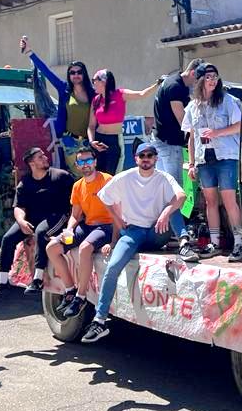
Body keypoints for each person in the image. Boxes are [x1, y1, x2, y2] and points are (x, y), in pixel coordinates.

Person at [77, 142, 199, 337]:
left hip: (156, 232)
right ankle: (100, 321)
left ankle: (184, 243)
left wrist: (166, 211)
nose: (146, 159)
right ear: (136, 159)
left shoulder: (163, 177)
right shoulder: (126, 177)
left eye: (150, 155)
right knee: (112, 268)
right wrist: (116, 219)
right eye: (142, 155)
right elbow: (104, 196)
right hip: (132, 233)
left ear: (156, 159)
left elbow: (181, 196)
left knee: (173, 205)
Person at [0, 147, 74, 300]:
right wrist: (21, 221)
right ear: (32, 163)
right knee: (7, 239)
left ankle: (37, 279)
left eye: (44, 156)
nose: (45, 158)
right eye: (40, 157)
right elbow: (19, 206)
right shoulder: (25, 182)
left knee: (40, 232)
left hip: (57, 216)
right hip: (33, 218)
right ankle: (2, 282)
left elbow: (76, 198)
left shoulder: (61, 177)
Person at [182, 63, 242, 261]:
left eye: (215, 76)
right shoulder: (193, 106)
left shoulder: (227, 100)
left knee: (229, 199)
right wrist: (191, 163)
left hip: (226, 155)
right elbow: (191, 136)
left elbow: (240, 125)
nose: (212, 80)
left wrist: (218, 133)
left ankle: (239, 242)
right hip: (204, 158)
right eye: (208, 77)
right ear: (200, 80)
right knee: (210, 201)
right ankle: (215, 242)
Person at [46, 146, 116, 314]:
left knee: (85, 248)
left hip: (106, 225)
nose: (86, 165)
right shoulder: (77, 186)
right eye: (82, 161)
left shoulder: (108, 180)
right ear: (77, 165)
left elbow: (119, 211)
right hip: (88, 225)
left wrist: (115, 239)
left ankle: (81, 297)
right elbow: (76, 215)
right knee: (52, 248)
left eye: (89, 160)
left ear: (95, 162)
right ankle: (70, 290)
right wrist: (69, 229)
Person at [87, 69, 160, 175]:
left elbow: (141, 95)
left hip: (114, 140)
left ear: (104, 81)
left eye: (94, 80)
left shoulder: (120, 94)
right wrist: (91, 141)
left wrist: (157, 84)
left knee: (113, 174)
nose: (93, 83)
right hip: (98, 141)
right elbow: (91, 126)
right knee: (98, 174)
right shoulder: (96, 100)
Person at [20, 36, 93, 140]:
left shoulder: (93, 93)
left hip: (89, 139)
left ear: (84, 74)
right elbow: (46, 72)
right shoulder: (64, 89)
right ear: (69, 75)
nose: (76, 75)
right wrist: (30, 52)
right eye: (72, 73)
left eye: (79, 72)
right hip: (69, 140)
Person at [152, 58, 203, 181]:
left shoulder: (173, 82)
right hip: (169, 143)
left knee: (162, 186)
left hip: (159, 139)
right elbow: (182, 120)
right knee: (174, 187)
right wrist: (194, 140)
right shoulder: (175, 87)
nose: (199, 84)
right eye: (199, 80)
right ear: (192, 73)